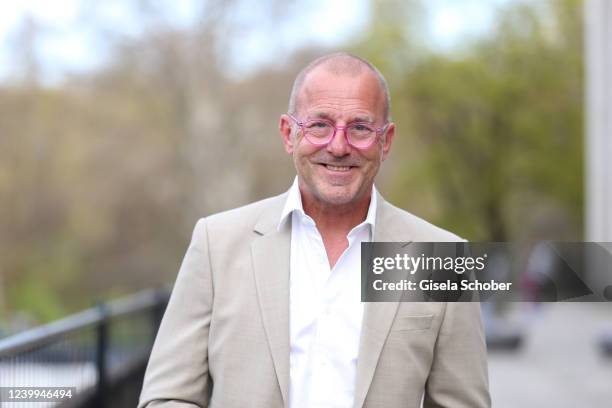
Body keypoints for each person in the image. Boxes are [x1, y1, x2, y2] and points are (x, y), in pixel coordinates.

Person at [138, 52, 490, 408]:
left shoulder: (440, 258)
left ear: (386, 141)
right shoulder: (218, 243)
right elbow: (167, 396)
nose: (338, 146)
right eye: (319, 125)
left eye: (360, 128)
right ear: (289, 134)